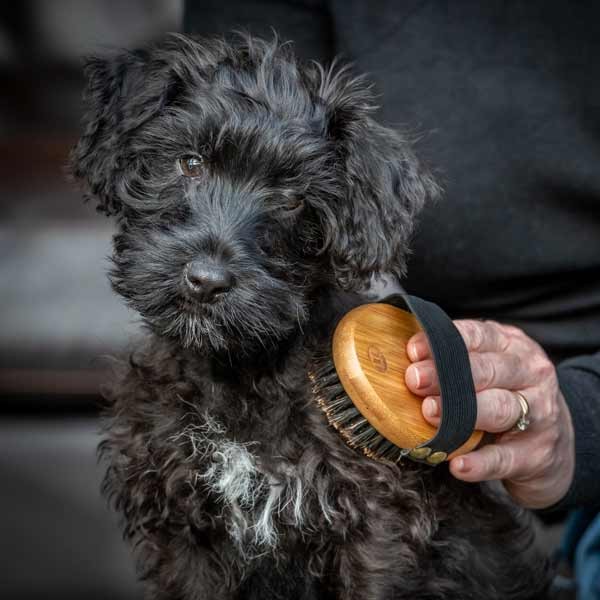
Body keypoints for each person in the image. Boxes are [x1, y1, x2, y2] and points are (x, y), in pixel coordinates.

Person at [183, 0, 600, 512]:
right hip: (360, 356)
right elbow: (226, 112)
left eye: (289, 198)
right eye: (191, 167)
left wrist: (580, 421)